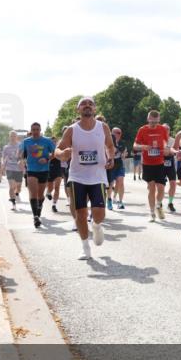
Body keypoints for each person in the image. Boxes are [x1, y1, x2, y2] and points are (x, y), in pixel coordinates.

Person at [55, 97, 114, 260]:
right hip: (77, 177)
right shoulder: (72, 130)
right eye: (83, 104)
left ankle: (96, 225)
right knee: (80, 214)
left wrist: (110, 157)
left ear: (94, 109)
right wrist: (62, 154)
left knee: (99, 213)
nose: (87, 106)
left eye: (90, 104)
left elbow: (110, 146)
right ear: (78, 109)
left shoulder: (103, 127)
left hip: (98, 176)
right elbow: (57, 150)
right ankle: (85, 247)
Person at [134, 111, 170, 222]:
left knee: (161, 188)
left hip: (160, 163)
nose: (154, 123)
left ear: (159, 120)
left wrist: (166, 148)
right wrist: (143, 147)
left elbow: (165, 142)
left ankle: (158, 205)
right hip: (147, 164)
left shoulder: (162, 129)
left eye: (156, 121)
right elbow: (135, 146)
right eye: (152, 121)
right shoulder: (142, 130)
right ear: (148, 119)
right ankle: (152, 213)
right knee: (151, 188)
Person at [21, 122, 57, 229]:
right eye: (33, 130)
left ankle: (39, 208)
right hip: (31, 170)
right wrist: (21, 160)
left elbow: (55, 153)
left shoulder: (47, 141)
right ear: (31, 130)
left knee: (40, 195)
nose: (35, 131)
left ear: (40, 130)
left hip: (44, 170)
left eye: (37, 129)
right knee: (33, 194)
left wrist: (46, 159)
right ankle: (35, 217)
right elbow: (22, 154)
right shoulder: (26, 141)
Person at [1, 131, 24, 208]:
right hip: (10, 168)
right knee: (12, 186)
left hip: (19, 169)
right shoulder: (6, 147)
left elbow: (24, 155)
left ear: (16, 137)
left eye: (14, 136)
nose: (12, 137)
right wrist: (3, 167)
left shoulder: (20, 145)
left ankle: (17, 194)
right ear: (9, 137)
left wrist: (22, 161)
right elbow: (4, 158)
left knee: (18, 187)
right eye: (11, 136)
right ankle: (13, 204)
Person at [162, 125, 179, 213]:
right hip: (160, 163)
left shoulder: (172, 140)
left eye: (167, 129)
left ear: (169, 131)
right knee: (161, 186)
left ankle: (170, 203)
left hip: (170, 163)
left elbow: (174, 149)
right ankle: (159, 203)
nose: (166, 131)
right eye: (164, 129)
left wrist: (175, 152)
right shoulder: (158, 139)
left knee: (173, 184)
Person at [109, 127, 127, 209]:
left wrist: (123, 154)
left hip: (119, 164)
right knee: (111, 183)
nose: (118, 134)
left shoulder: (122, 143)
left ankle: (120, 201)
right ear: (112, 133)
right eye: (116, 132)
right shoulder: (108, 142)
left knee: (120, 182)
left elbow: (122, 153)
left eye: (119, 133)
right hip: (110, 165)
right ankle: (109, 200)